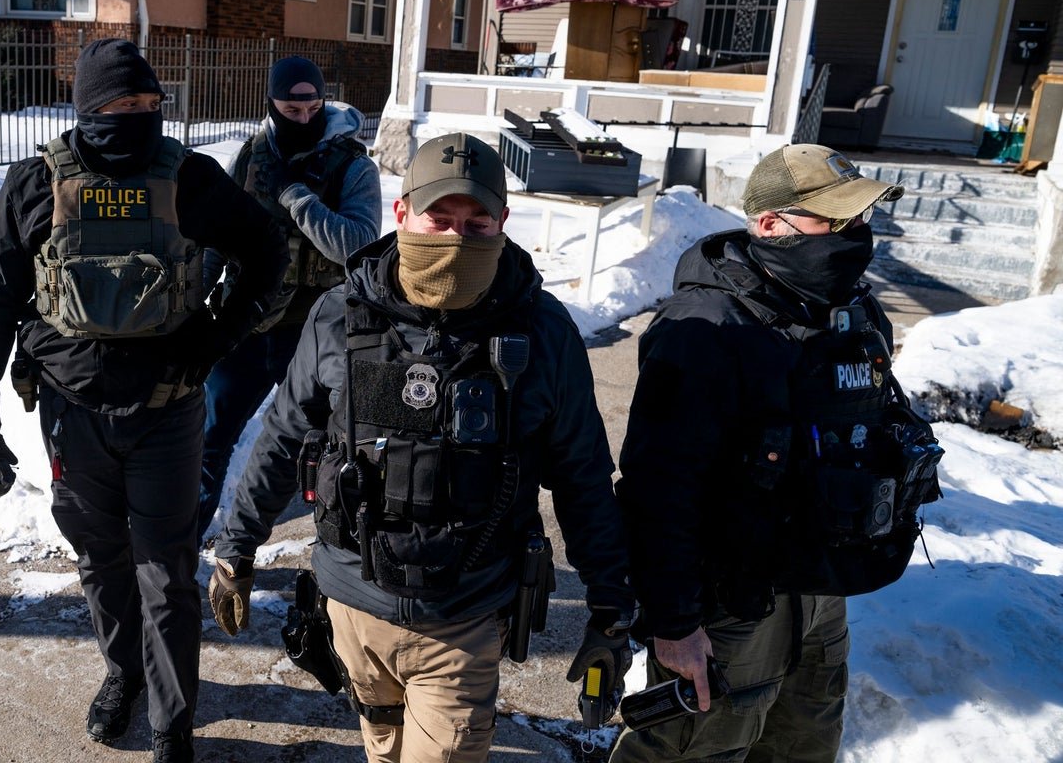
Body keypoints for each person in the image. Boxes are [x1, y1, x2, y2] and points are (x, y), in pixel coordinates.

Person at [208, 132, 635, 762]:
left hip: (464, 619)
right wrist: (236, 546)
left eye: (477, 221)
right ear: (404, 212)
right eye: (440, 218)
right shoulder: (339, 314)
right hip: (352, 608)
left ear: (503, 223)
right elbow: (282, 436)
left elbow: (583, 478)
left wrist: (609, 607)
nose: (457, 238)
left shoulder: (540, 330)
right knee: (382, 748)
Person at [0, 38, 289, 763]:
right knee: (100, 559)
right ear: (86, 109)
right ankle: (122, 672)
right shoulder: (35, 184)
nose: (136, 116)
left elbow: (267, 251)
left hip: (168, 414)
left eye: (147, 104)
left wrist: (212, 338)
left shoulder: (189, 179)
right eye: (117, 105)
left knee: (166, 570)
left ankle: (172, 719)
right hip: (71, 416)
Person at [609, 144, 942, 762]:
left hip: (822, 597)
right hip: (731, 605)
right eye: (836, 223)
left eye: (861, 221)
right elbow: (660, 492)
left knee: (804, 748)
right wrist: (674, 623)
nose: (856, 237)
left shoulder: (853, 311)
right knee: (697, 751)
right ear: (770, 226)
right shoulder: (708, 329)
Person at [197, 55, 381, 542]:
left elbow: (359, 248)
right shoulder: (249, 157)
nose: (302, 119)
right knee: (210, 436)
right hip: (250, 323)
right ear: (272, 106)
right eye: (290, 111)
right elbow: (217, 238)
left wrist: (298, 197)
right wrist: (193, 298)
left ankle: (337, 551)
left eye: (312, 109)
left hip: (319, 334)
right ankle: (182, 543)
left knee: (326, 446)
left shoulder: (353, 165)